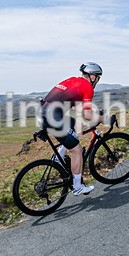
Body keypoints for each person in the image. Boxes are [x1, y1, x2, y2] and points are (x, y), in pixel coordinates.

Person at [40, 62, 112, 195]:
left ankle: (59, 156)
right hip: (53, 119)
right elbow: (87, 115)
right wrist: (104, 119)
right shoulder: (88, 88)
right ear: (92, 76)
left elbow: (76, 106)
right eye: (98, 77)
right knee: (77, 150)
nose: (97, 80)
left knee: (74, 123)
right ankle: (78, 186)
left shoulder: (73, 81)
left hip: (44, 113)